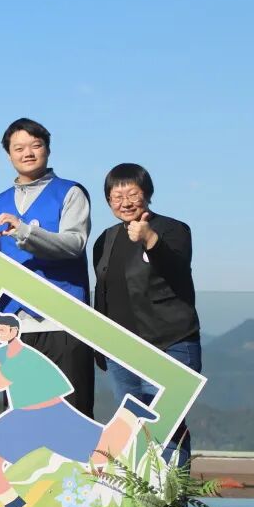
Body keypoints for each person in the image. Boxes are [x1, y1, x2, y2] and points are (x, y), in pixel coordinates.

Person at [0, 313, 158, 507]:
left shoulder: (22, 357)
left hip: (46, 415)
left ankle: (131, 412)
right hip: (28, 416)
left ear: (13, 331)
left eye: (2, 330)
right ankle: (13, 502)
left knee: (100, 454)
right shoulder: (8, 351)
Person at [93, 163, 201, 465]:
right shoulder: (105, 239)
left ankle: (172, 492)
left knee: (168, 427)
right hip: (122, 351)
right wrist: (100, 347)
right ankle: (143, 491)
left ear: (147, 194)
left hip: (169, 345)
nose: (125, 202)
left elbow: (177, 270)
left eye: (132, 194)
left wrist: (150, 239)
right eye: (116, 197)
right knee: (131, 426)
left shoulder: (173, 229)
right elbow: (102, 292)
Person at [0, 118, 96, 417]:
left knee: (72, 415)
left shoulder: (70, 192)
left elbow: (75, 243)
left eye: (35, 145)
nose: (28, 153)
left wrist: (25, 232)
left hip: (62, 321)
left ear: (47, 149)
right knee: (18, 418)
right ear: (8, 155)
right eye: (18, 148)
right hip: (14, 325)